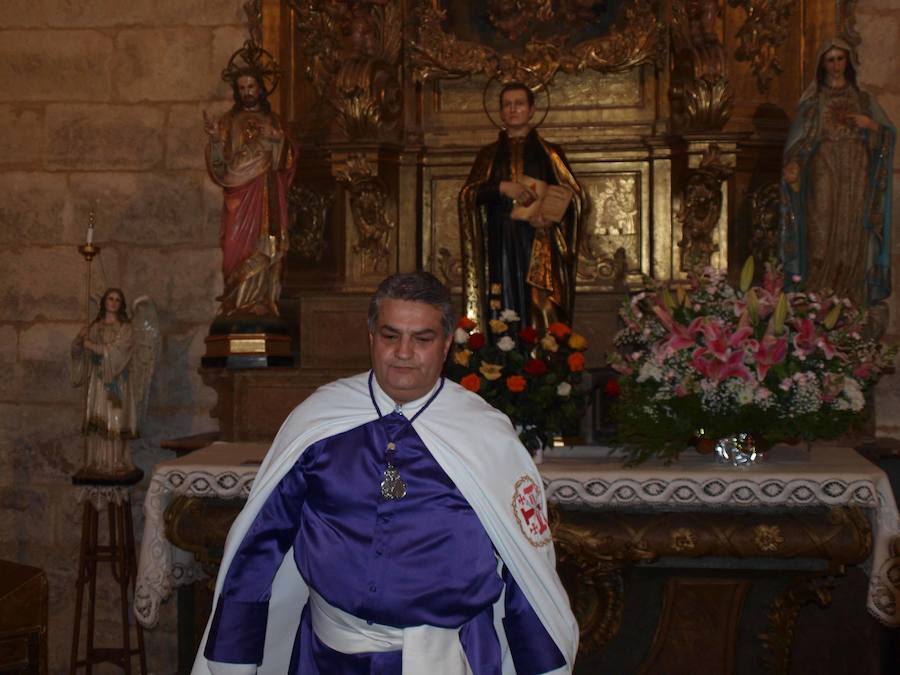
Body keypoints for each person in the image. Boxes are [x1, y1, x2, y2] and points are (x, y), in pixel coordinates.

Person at [192, 271, 578, 674]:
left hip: (452, 658)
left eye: (422, 339)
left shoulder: (486, 436)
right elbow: (261, 542)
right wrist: (233, 659)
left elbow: (525, 573)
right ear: (371, 336)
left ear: (446, 343)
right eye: (390, 336)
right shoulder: (319, 421)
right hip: (328, 658)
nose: (403, 353)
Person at [459, 82, 585, 333]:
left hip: (538, 240)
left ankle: (541, 356)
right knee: (502, 296)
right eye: (507, 105)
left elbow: (574, 197)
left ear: (531, 110)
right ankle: (501, 355)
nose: (513, 109)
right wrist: (502, 188)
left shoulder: (550, 154)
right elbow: (469, 195)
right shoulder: (488, 155)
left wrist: (551, 218)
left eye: (519, 104)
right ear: (501, 113)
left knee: (539, 301)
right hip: (500, 239)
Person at [781, 37, 895, 309]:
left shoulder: (864, 100)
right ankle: (818, 293)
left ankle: (849, 297)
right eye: (830, 60)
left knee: (853, 228)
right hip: (824, 166)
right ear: (823, 64)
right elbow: (799, 141)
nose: (836, 65)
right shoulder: (813, 102)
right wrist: (794, 163)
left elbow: (888, 135)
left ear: (849, 61)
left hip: (857, 169)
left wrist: (871, 126)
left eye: (840, 59)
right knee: (819, 230)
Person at [204, 65, 297, 317]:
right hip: (239, 199)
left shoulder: (275, 121)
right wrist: (213, 139)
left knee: (266, 246)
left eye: (251, 87)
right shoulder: (226, 123)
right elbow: (219, 168)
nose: (247, 92)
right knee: (235, 248)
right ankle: (235, 304)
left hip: (267, 196)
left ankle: (263, 302)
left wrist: (279, 141)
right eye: (242, 88)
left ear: (260, 89)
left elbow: (288, 163)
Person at [71, 288, 138, 476]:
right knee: (98, 418)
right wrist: (79, 340)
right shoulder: (94, 327)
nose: (114, 302)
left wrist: (92, 346)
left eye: (118, 299)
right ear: (104, 302)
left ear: (121, 304)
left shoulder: (126, 328)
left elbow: (119, 352)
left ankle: (117, 461)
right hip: (98, 381)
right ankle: (96, 460)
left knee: (116, 419)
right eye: (110, 298)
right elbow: (79, 355)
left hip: (117, 382)